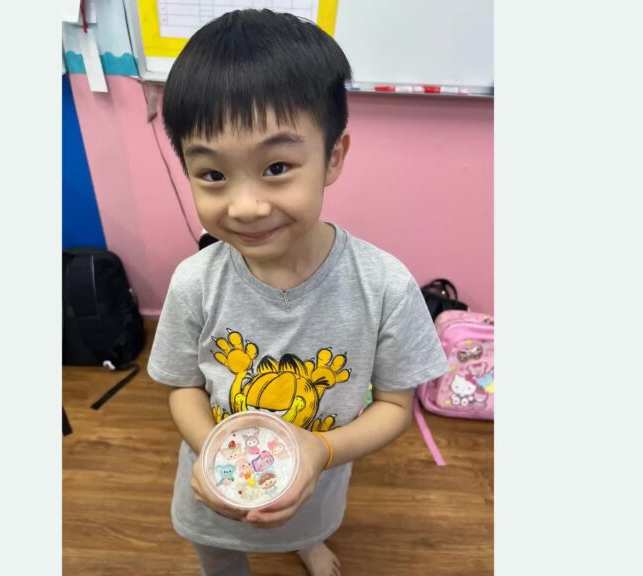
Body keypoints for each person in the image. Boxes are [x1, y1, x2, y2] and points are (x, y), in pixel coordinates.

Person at [147, 9, 449, 576]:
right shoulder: (194, 282)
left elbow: (393, 406)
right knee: (217, 552)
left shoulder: (384, 285)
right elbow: (183, 387)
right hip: (213, 487)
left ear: (332, 158)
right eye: (212, 175)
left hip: (317, 486)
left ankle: (308, 543)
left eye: (277, 166)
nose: (245, 207)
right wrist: (212, 449)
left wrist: (322, 450)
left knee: (307, 526)